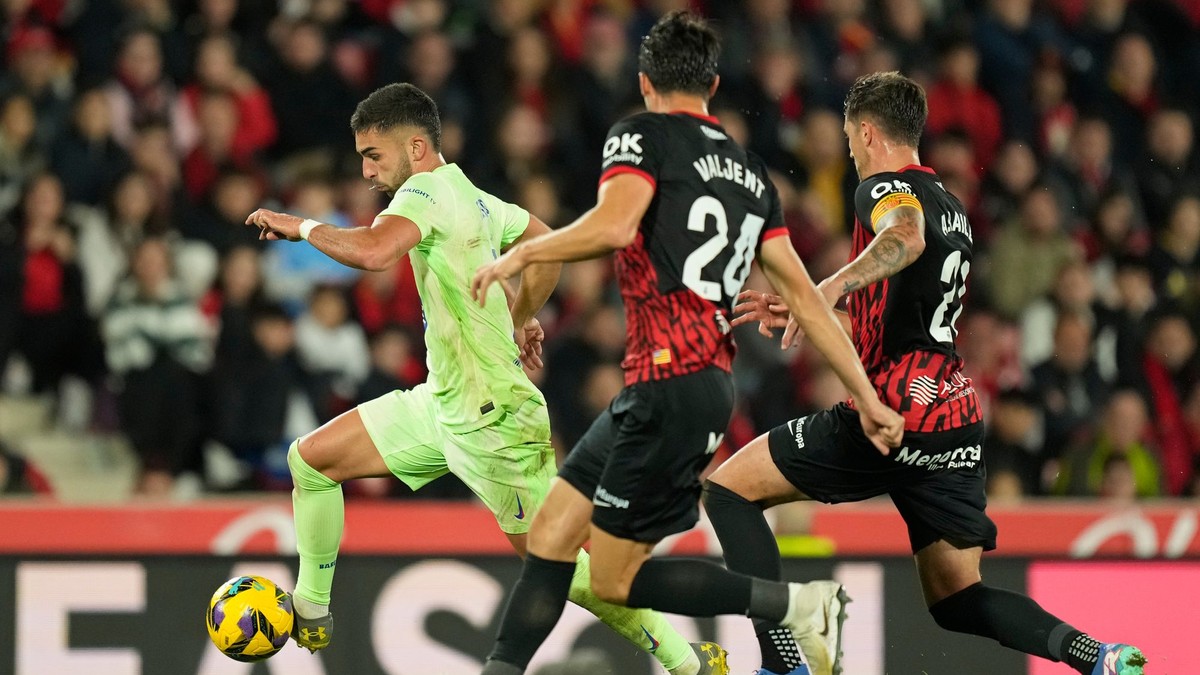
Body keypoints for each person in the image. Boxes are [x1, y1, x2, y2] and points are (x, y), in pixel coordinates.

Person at [245, 82, 731, 675]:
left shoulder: (423, 192)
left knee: (563, 571)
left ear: (417, 148)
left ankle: (692, 664)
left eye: (374, 155)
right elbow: (547, 246)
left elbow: (375, 253)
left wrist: (300, 227)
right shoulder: (472, 197)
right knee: (312, 460)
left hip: (495, 419)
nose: (367, 171)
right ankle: (311, 609)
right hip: (443, 404)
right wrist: (521, 317)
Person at [472, 13, 903, 675]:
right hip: (685, 384)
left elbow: (616, 226)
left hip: (670, 384)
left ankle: (794, 605)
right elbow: (808, 301)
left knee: (614, 579)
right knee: (552, 535)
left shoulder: (640, 135)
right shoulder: (753, 176)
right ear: (714, 84)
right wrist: (866, 395)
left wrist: (522, 253)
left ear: (645, 82)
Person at [723, 71, 1147, 675]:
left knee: (729, 491)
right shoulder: (954, 207)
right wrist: (813, 308)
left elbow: (906, 237)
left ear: (867, 133)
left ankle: (784, 661)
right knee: (957, 598)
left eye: (849, 138)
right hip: (950, 413)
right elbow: (899, 325)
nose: (850, 150)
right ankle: (1094, 654)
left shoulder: (887, 191)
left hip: (894, 409)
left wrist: (829, 283)